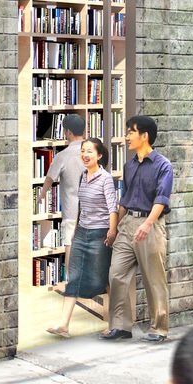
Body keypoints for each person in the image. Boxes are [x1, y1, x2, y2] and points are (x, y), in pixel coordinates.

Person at [105, 115, 173, 343]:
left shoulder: (163, 165)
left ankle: (159, 328)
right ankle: (121, 326)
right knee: (116, 273)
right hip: (127, 224)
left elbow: (161, 198)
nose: (127, 136)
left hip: (150, 225)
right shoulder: (129, 165)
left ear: (144, 136)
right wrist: (115, 228)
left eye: (130, 132)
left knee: (154, 278)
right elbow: (124, 199)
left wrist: (147, 223)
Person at [46, 137, 117, 338]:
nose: (85, 155)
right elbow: (81, 207)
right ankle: (63, 325)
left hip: (101, 234)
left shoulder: (105, 179)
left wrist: (112, 231)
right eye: (83, 151)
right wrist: (76, 229)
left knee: (103, 279)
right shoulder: (82, 176)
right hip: (82, 232)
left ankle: (114, 323)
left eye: (89, 152)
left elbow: (112, 208)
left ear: (99, 155)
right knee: (74, 277)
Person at [43, 112, 88, 272]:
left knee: (70, 245)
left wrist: (41, 195)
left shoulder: (62, 156)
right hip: (92, 209)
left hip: (71, 210)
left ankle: (71, 280)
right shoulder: (91, 152)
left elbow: (50, 178)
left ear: (68, 132)